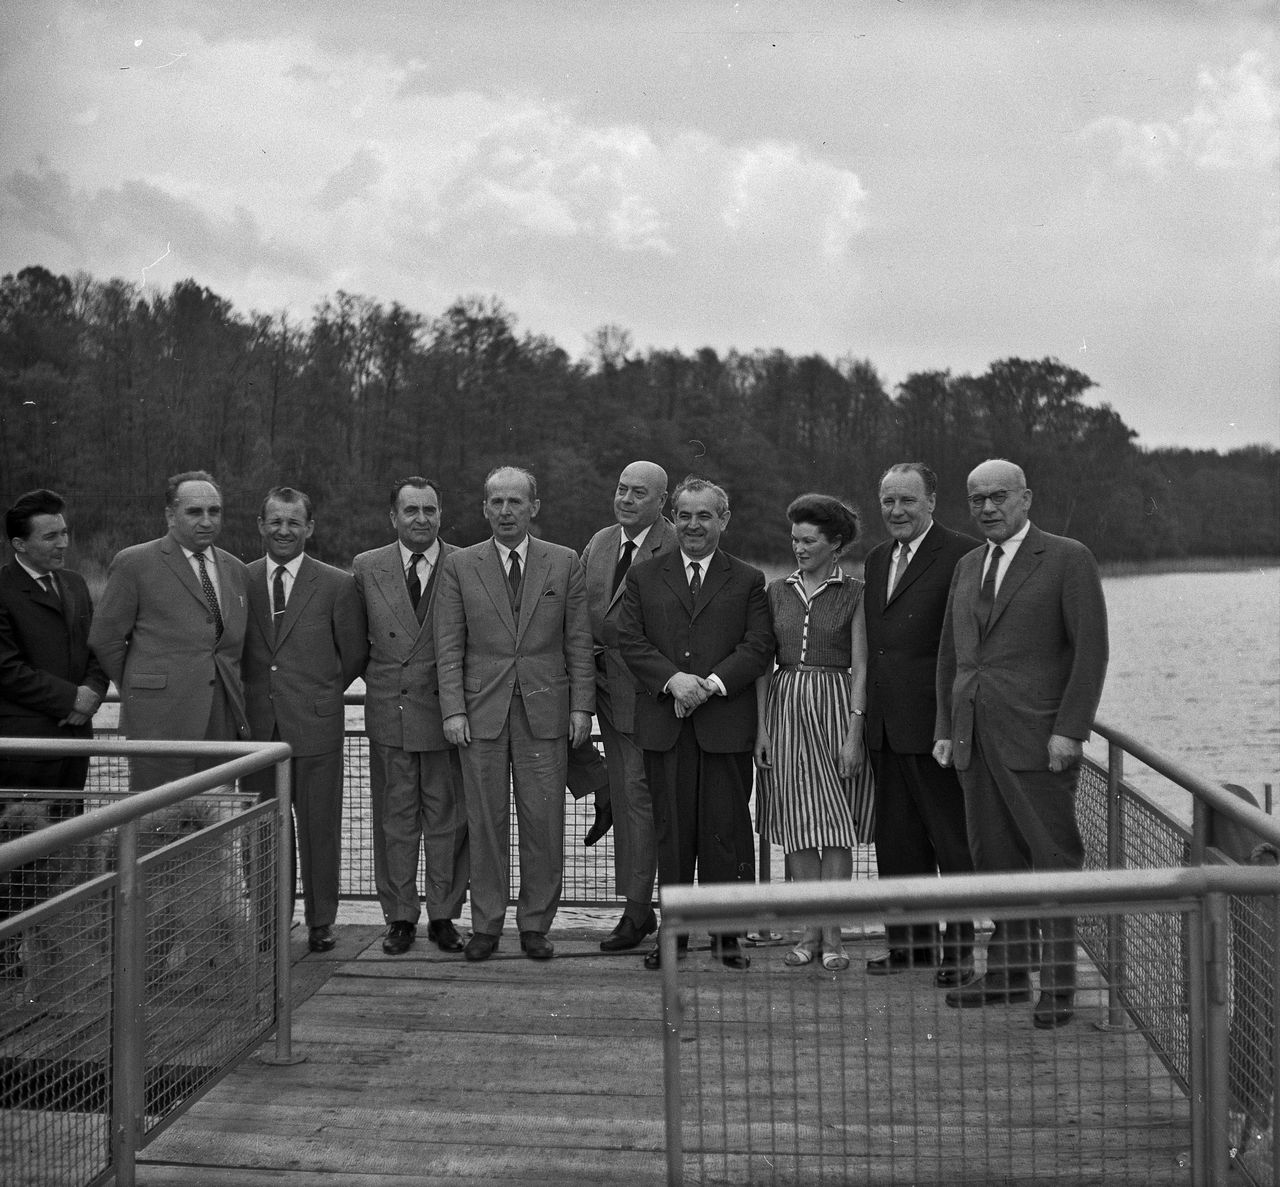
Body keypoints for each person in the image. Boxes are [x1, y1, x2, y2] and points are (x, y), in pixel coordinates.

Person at [934, 458, 1108, 1029]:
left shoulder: (1066, 558)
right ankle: (1009, 975)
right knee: (996, 861)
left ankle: (1059, 986)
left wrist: (1070, 729)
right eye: (977, 498)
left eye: (999, 497)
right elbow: (951, 658)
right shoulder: (966, 566)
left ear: (1026, 499)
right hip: (974, 742)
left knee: (1052, 862)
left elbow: (1090, 653)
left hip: (1038, 741)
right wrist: (944, 728)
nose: (987, 508)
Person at [434, 466, 595, 962]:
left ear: (534, 508)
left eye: (515, 502)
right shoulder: (461, 565)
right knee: (483, 824)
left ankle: (535, 925)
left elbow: (578, 642)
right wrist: (454, 710)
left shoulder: (564, 562)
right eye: (497, 502)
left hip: (545, 710)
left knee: (543, 823)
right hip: (481, 713)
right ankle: (486, 924)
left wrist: (581, 706)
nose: (506, 511)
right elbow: (448, 645)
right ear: (484, 509)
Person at [617, 476, 774, 971]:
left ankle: (728, 937)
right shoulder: (645, 575)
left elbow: (758, 646)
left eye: (704, 515)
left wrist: (707, 684)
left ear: (723, 520)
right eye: (684, 515)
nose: (692, 525)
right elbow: (631, 640)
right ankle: (676, 936)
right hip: (666, 726)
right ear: (674, 518)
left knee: (726, 833)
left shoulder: (748, 579)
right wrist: (673, 681)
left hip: (724, 726)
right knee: (673, 834)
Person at [863, 463, 980, 985]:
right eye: (888, 501)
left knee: (950, 845)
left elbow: (966, 648)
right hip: (886, 729)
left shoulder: (961, 555)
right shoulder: (876, 558)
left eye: (908, 500)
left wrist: (951, 726)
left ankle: (957, 954)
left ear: (932, 500)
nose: (896, 511)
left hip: (937, 731)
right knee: (897, 845)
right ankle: (908, 946)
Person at [242, 487, 368, 954]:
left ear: (309, 528)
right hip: (255, 733)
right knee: (259, 836)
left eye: (294, 522)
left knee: (320, 830)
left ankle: (320, 923)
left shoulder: (336, 583)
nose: (284, 531)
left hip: (316, 727)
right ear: (260, 524)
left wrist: (318, 694)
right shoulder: (242, 579)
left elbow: (353, 654)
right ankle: (267, 925)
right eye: (275, 521)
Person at [754, 494, 873, 971]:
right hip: (785, 708)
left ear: (835, 544)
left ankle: (834, 936)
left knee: (837, 826)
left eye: (809, 541)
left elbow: (862, 666)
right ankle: (808, 931)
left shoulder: (856, 592)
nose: (799, 549)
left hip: (835, 707)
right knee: (798, 826)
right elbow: (764, 664)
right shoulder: (776, 591)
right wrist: (761, 727)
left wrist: (854, 733)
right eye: (795, 540)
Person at [354, 477, 469, 956]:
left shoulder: (466, 563)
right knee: (394, 821)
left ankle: (444, 915)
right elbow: (353, 641)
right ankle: (399, 916)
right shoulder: (366, 567)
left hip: (447, 713)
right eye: (411, 510)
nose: (421, 519)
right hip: (390, 712)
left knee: (448, 821)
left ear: (441, 514)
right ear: (393, 517)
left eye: (429, 510)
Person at [90, 470, 250, 790]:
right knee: (157, 822)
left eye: (214, 511)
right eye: (194, 512)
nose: (206, 521)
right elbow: (104, 639)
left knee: (215, 820)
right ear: (170, 515)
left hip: (221, 720)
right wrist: (144, 688)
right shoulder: (135, 563)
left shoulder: (236, 569)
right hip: (158, 722)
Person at [580, 460, 678, 951]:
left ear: (663, 501)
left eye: (639, 493)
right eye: (621, 489)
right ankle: (637, 907)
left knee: (640, 801)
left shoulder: (677, 544)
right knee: (626, 797)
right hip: (601, 692)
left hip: (650, 698)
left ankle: (639, 910)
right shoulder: (599, 543)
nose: (626, 499)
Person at [0, 489, 108, 806]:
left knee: (70, 845)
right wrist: (71, 699)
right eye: (50, 537)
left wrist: (92, 694)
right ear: (19, 544)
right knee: (21, 847)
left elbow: (96, 647)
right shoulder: (2, 590)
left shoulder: (74, 583)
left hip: (75, 744)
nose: (63, 543)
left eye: (64, 533)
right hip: (24, 750)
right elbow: (6, 668)